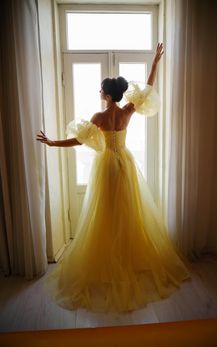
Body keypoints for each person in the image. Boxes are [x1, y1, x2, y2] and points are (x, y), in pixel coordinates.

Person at [37, 43, 191, 313]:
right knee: (128, 212)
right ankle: (123, 260)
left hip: (108, 165)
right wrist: (155, 63)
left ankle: (112, 263)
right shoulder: (126, 112)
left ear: (107, 95)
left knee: (107, 214)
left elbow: (78, 140)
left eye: (100, 90)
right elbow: (147, 90)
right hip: (126, 162)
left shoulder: (100, 116)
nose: (99, 93)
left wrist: (52, 143)